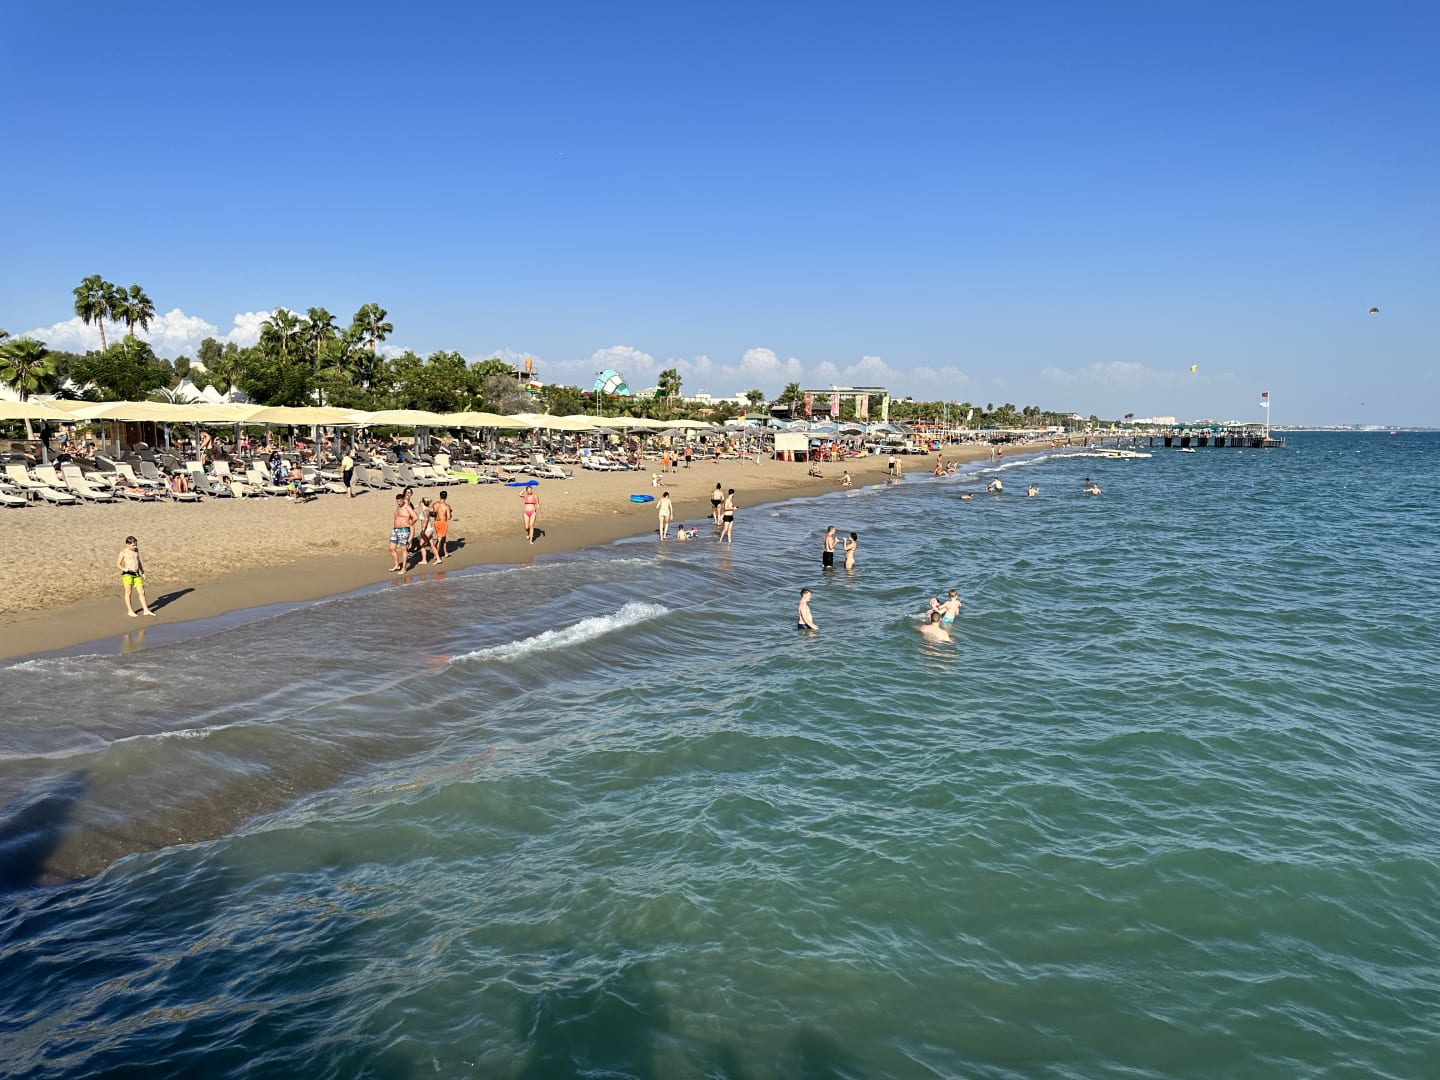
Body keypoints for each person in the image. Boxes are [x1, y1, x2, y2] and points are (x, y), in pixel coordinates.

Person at [116, 535, 156, 617]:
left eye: (136, 545)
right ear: (127, 544)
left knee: (142, 592)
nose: (135, 546)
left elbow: (138, 561)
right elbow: (118, 564)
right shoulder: (123, 552)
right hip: (128, 574)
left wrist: (142, 571)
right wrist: (124, 569)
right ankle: (130, 611)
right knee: (128, 592)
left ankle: (146, 610)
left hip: (136, 573)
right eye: (133, 545)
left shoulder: (136, 550)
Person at [390, 491, 417, 572]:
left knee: (403, 549)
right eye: (397, 501)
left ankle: (404, 568)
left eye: (400, 501)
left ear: (403, 500)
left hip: (404, 530)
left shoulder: (407, 507)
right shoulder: (398, 507)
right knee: (391, 548)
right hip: (395, 530)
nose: (399, 503)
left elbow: (415, 517)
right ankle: (397, 565)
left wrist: (410, 524)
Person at [432, 490, 452, 559]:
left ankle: (445, 553)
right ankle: (436, 555)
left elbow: (431, 513)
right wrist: (450, 512)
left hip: (436, 522)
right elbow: (449, 517)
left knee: (443, 537)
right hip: (443, 522)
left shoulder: (435, 504)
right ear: (446, 497)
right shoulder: (447, 506)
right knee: (440, 539)